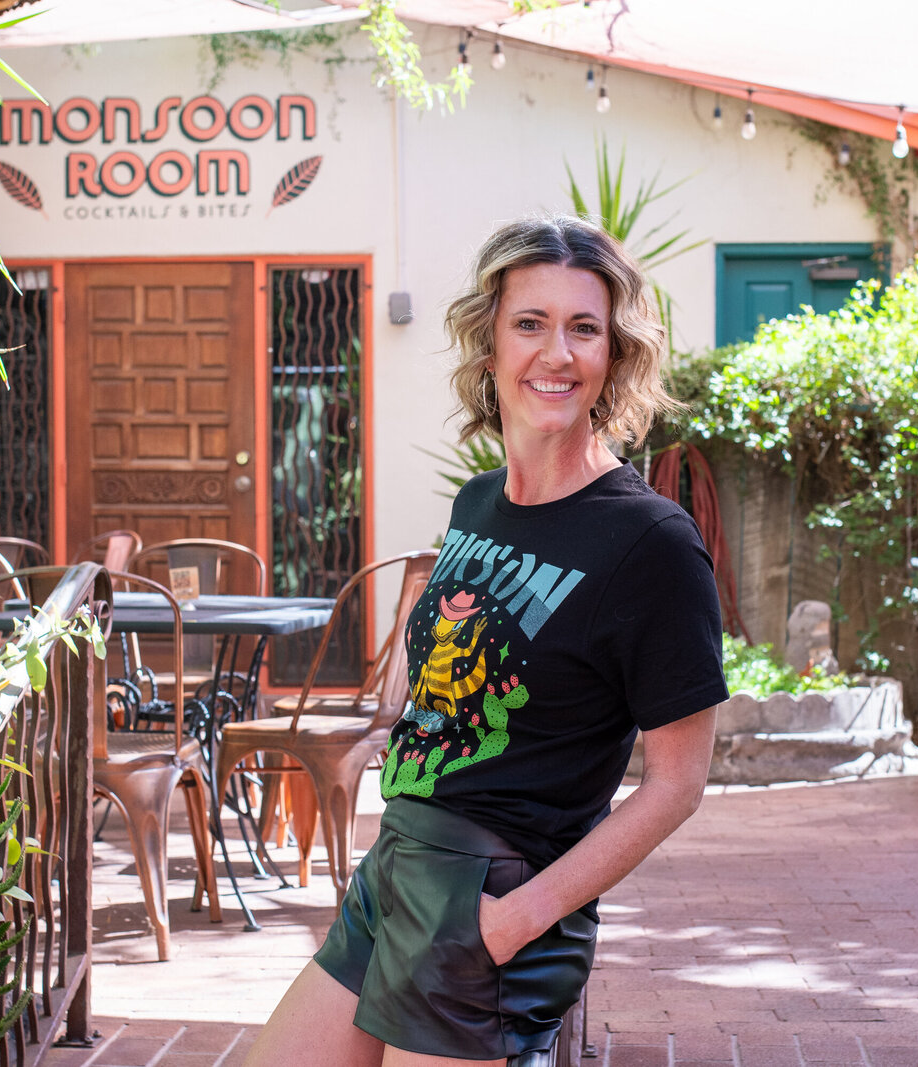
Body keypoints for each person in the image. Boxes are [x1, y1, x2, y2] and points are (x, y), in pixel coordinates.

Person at [244, 215, 728, 1067]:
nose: (557, 353)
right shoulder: (477, 503)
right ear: (491, 342)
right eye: (530, 323)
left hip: (494, 897)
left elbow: (678, 783)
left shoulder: (651, 541)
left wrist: (517, 918)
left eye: (584, 328)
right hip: (398, 875)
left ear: (614, 353)